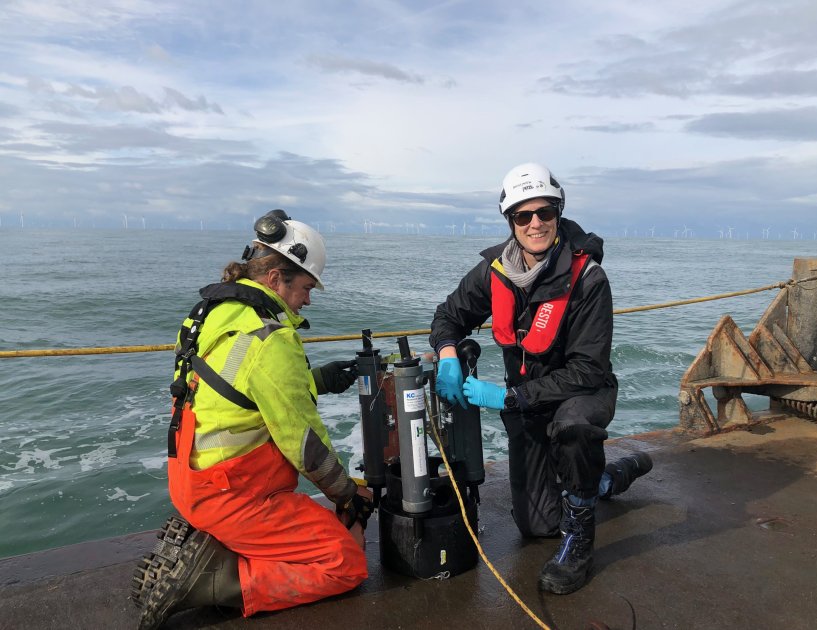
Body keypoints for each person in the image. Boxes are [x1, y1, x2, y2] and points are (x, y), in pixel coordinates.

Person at [135, 210, 372, 630]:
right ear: (277, 278)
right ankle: (215, 579)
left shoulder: (211, 312)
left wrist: (316, 380)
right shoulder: (270, 338)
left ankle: (210, 545)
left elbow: (236, 391)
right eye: (305, 287)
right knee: (345, 563)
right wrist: (347, 495)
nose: (308, 299)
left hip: (190, 479)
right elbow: (305, 446)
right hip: (235, 494)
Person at [430, 163, 652, 595]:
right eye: (522, 215)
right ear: (509, 220)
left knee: (573, 430)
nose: (535, 224)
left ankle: (579, 544)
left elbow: (587, 370)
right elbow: (448, 316)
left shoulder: (589, 280)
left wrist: (507, 396)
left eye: (545, 213)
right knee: (537, 525)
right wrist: (447, 354)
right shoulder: (494, 270)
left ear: (559, 211)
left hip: (581, 394)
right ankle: (607, 478)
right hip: (527, 404)